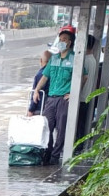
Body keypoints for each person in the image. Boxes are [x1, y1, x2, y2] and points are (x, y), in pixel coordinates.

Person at [32, 27, 87, 165]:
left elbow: (84, 76)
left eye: (64, 40)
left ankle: (55, 156)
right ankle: (47, 151)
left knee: (62, 128)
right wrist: (37, 90)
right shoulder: (54, 58)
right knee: (47, 126)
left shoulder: (75, 59)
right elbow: (45, 76)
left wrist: (74, 93)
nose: (61, 42)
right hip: (51, 98)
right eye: (60, 39)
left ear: (69, 43)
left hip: (64, 99)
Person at [77, 34, 98, 143]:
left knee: (78, 124)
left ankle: (78, 146)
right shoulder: (93, 60)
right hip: (87, 96)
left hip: (80, 97)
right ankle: (80, 145)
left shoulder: (83, 60)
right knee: (82, 124)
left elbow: (83, 79)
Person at [27, 50, 52, 116]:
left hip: (39, 108)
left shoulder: (40, 75)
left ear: (41, 60)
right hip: (50, 107)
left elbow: (35, 94)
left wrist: (31, 109)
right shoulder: (54, 73)